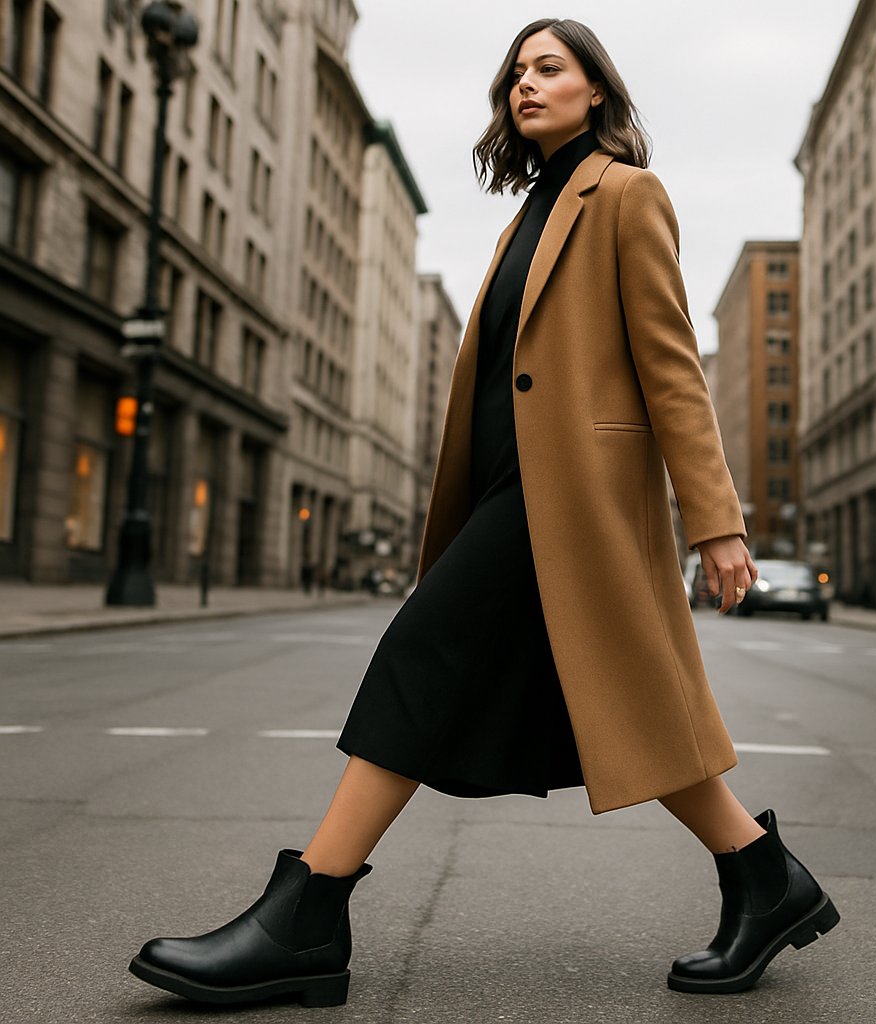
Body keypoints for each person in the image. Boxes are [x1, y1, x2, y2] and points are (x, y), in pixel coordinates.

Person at [128, 18, 839, 1009]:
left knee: (418, 657)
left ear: (597, 90)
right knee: (625, 703)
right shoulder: (529, 214)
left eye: (549, 67)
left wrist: (715, 518)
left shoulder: (625, 194)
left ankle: (306, 916)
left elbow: (672, 364)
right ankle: (767, 879)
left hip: (567, 498)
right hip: (510, 492)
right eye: (514, 73)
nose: (524, 84)